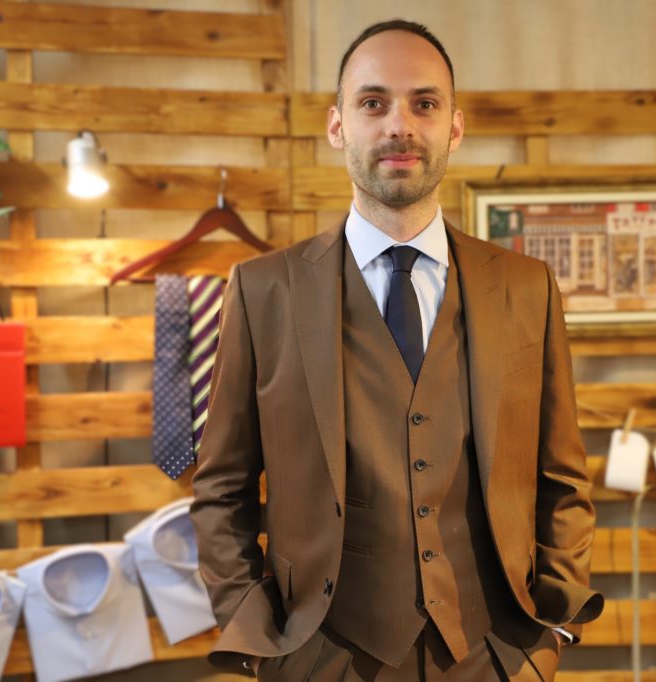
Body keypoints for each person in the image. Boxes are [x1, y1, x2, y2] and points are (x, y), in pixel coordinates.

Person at [190, 19, 603, 681]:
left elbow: (563, 479)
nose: (399, 126)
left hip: (496, 655)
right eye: (373, 102)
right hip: (320, 657)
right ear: (338, 126)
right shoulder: (263, 290)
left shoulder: (527, 287)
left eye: (425, 103)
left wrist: (550, 634)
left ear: (454, 128)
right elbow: (221, 488)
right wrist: (258, 630)